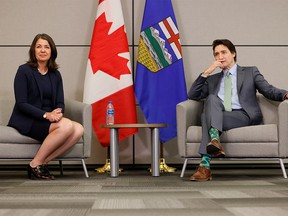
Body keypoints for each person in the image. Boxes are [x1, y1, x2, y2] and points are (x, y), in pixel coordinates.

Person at [188, 39, 288, 181]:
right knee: (211, 100)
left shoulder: (250, 72)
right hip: (220, 115)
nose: (220, 57)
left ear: (233, 53)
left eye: (224, 52)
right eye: (216, 54)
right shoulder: (212, 79)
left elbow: (268, 90)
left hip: (243, 115)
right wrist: (207, 72)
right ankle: (214, 142)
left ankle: (205, 165)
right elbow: (192, 95)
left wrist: (285, 94)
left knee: (206, 117)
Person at [8, 33, 84, 180]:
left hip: (48, 119)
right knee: (67, 126)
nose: (43, 50)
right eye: (39, 46)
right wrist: (46, 115)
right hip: (28, 118)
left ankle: (41, 163)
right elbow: (21, 103)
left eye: (46, 47)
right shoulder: (23, 71)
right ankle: (34, 163)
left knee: (79, 129)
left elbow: (60, 102)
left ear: (52, 51)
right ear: (33, 50)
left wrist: (58, 113)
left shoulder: (55, 74)